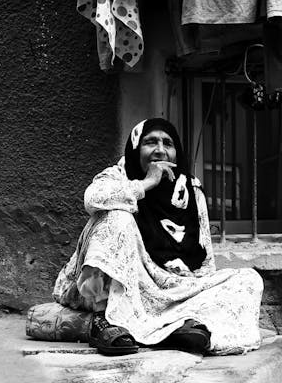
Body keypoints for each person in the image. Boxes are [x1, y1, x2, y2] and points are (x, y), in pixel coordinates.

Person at [52, 118, 263, 356]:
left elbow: (205, 257)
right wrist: (146, 183)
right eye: (150, 142)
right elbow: (93, 199)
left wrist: (201, 292)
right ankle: (104, 320)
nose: (160, 150)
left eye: (167, 143)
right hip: (125, 280)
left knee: (248, 279)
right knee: (117, 216)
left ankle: (177, 328)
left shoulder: (191, 191)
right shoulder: (118, 175)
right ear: (135, 148)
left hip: (168, 287)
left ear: (176, 152)